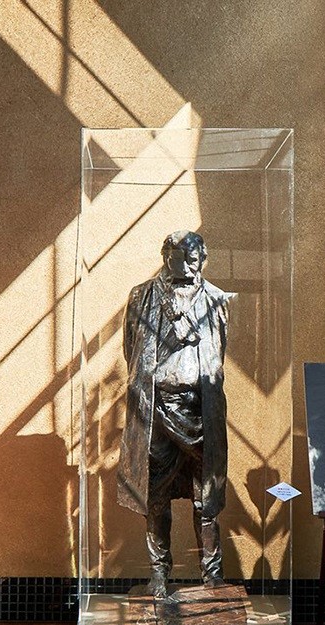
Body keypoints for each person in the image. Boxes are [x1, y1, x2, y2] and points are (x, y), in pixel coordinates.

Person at [117, 230, 232, 599]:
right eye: (178, 257)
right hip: (155, 410)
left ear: (204, 259)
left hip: (201, 412)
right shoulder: (141, 296)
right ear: (165, 257)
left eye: (193, 258)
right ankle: (159, 573)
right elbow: (131, 350)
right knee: (156, 494)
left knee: (207, 496)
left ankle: (211, 576)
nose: (186, 266)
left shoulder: (216, 300)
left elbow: (219, 354)